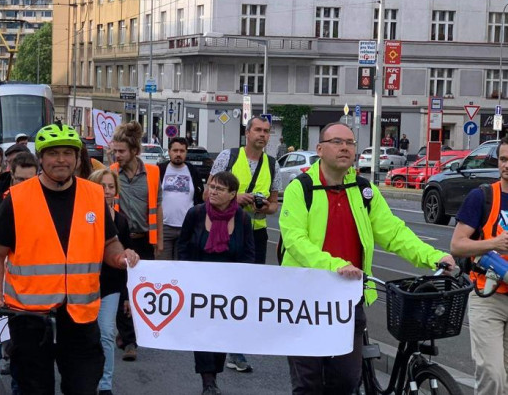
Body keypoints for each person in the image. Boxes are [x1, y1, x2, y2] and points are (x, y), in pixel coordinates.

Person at [279, 122, 455, 394]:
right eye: (337, 142)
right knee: (308, 383)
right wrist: (335, 265)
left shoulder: (363, 191)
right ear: (320, 149)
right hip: (306, 301)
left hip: (349, 300)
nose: (345, 148)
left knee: (347, 381)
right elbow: (295, 241)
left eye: (350, 143)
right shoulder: (300, 189)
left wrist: (433, 257)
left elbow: (394, 233)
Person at [0, 123, 140, 395]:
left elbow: (109, 243)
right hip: (30, 317)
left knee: (83, 387)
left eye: (68, 153)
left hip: (80, 316)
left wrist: (120, 257)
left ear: (78, 158)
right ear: (41, 158)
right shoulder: (18, 198)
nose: (61, 160)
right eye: (54, 153)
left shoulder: (93, 195)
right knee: (34, 388)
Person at [205, 115, 279, 372]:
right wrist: (237, 199)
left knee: (247, 292)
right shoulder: (229, 156)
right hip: (224, 230)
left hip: (255, 234)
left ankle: (235, 349)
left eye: (267, 131)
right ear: (247, 133)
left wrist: (264, 206)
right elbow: (208, 195)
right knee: (223, 289)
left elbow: (273, 205)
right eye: (258, 130)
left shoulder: (272, 164)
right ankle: (217, 342)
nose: (262, 135)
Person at [178, 171, 255, 395]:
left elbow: (249, 253)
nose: (212, 191)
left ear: (233, 194)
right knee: (201, 331)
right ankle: (208, 381)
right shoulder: (195, 214)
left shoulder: (242, 218)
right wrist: (186, 273)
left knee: (221, 331)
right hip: (199, 284)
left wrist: (242, 280)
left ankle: (215, 373)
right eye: (211, 186)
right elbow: (183, 246)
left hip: (228, 287)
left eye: (219, 189)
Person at [450, 136, 508, 395]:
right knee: (492, 376)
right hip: (489, 297)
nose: (507, 165)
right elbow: (457, 246)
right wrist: (493, 243)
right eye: (504, 159)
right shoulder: (482, 196)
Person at [110, 121, 163, 361]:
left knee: (139, 290)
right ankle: (129, 339)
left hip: (144, 241)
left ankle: (133, 333)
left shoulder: (152, 172)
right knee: (122, 290)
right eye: (115, 150)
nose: (116, 154)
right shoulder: (111, 172)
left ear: (134, 151)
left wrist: (158, 240)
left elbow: (158, 206)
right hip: (120, 241)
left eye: (121, 151)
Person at [88, 168, 132, 395]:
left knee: (106, 332)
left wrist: (126, 296)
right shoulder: (82, 218)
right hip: (84, 286)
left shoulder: (122, 222)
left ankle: (105, 385)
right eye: (102, 186)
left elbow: (125, 262)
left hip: (111, 287)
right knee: (86, 335)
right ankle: (86, 379)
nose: (106, 191)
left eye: (111, 187)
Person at [158, 137, 204, 260]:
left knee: (182, 267)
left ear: (186, 152)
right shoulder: (159, 170)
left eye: (182, 151)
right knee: (163, 266)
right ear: (169, 151)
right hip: (164, 228)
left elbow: (200, 198)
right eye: (175, 150)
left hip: (187, 227)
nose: (178, 154)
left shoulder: (193, 171)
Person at [0, 151, 38, 234]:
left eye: (29, 180)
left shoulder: (42, 193)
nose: (24, 184)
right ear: (12, 174)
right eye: (20, 179)